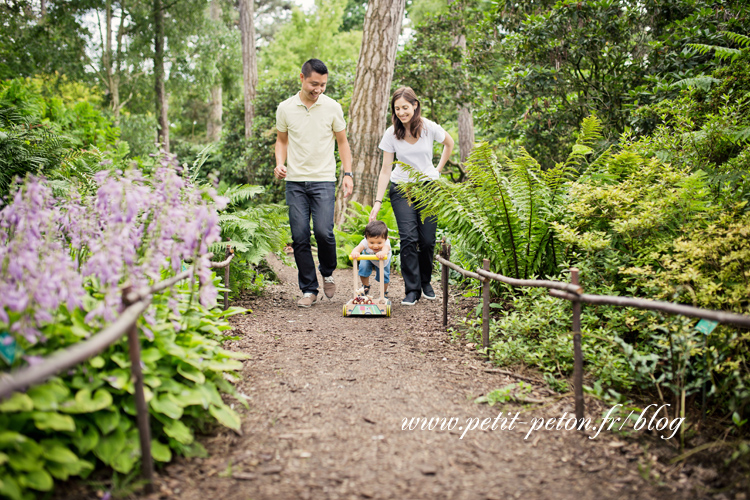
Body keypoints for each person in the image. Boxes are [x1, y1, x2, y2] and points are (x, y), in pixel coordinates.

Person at [274, 59, 354, 308]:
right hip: (295, 182)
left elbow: (342, 142)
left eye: (323, 85)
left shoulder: (332, 107)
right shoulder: (286, 108)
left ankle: (328, 270)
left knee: (323, 232)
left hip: (323, 180)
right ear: (302, 78)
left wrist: (348, 174)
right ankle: (309, 289)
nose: (318, 89)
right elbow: (281, 140)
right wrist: (279, 162)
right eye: (314, 84)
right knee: (299, 237)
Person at [369, 87, 454, 306]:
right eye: (397, 109)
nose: (401, 112)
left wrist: (437, 170)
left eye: (405, 107)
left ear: (415, 105)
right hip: (401, 189)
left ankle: (426, 282)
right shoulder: (391, 133)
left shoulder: (428, 128)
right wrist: (377, 202)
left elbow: (449, 143)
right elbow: (386, 170)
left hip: (427, 189)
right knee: (408, 238)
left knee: (427, 240)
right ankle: (412, 289)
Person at [349, 220, 392, 297]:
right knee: (363, 268)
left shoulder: (386, 243)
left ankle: (383, 292)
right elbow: (358, 248)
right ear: (366, 238)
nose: (375, 246)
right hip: (368, 256)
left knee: (384, 276)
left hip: (382, 260)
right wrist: (355, 252)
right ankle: (365, 286)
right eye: (371, 243)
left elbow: (386, 249)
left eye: (379, 243)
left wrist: (383, 253)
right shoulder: (365, 242)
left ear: (385, 239)